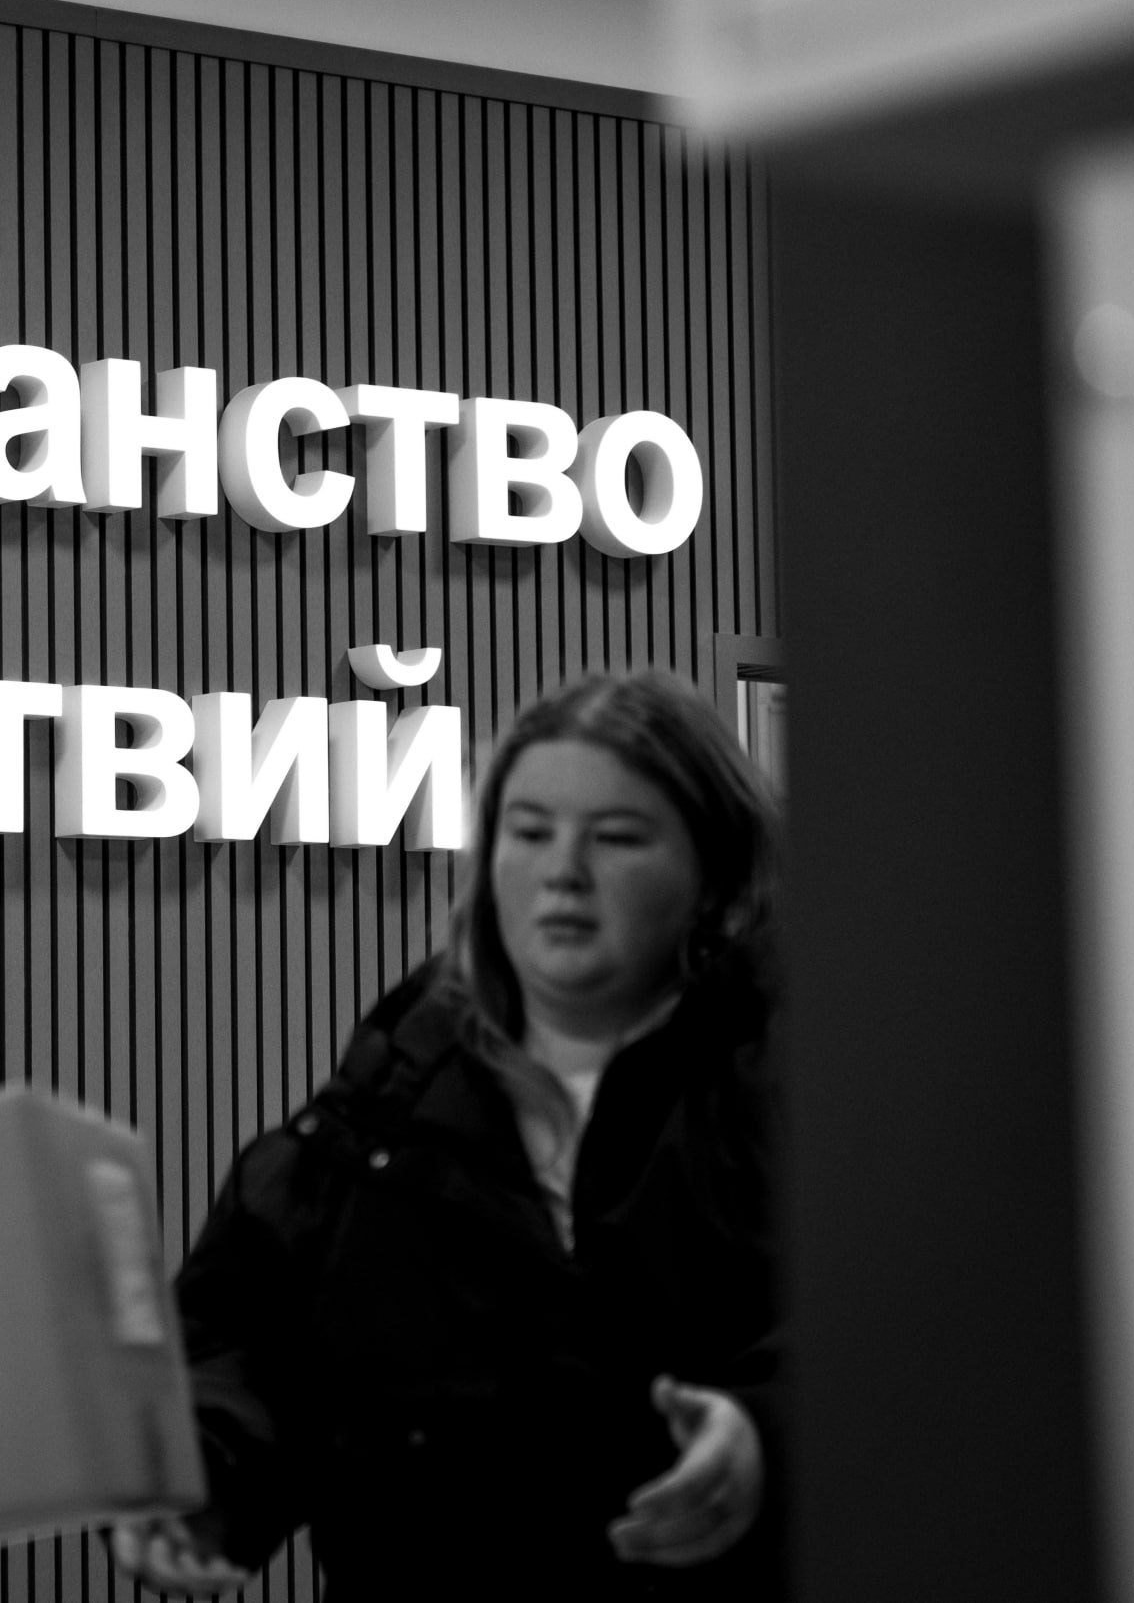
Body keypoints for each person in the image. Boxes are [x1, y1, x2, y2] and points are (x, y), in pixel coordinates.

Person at [116, 670, 782, 1601]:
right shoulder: (385, 1100)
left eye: (618, 838)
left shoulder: (817, 1093)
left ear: (716, 872)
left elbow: (920, 1340)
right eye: (530, 832)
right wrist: (206, 1483)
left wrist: (768, 1438)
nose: (564, 872)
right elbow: (246, 1345)